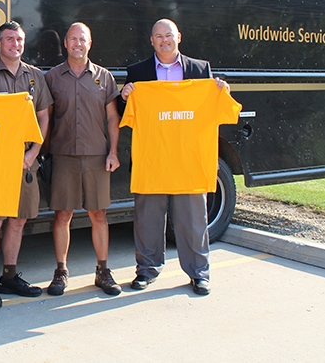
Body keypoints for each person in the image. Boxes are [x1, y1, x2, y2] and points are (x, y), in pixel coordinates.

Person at [120, 19, 218, 296]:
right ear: (151, 40)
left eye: (168, 35)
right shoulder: (137, 72)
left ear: (179, 37)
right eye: (158, 36)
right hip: (152, 159)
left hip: (188, 161)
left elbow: (208, 106)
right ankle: (147, 270)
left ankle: (199, 274)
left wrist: (220, 89)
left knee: (193, 221)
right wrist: (125, 95)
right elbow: (122, 111)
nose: (164, 40)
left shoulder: (201, 70)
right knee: (147, 219)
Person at [0, 22, 52, 308]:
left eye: (18, 39)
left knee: (18, 220)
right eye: (9, 39)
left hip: (25, 160)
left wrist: (33, 153)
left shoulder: (35, 75)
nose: (15, 44)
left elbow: (44, 116)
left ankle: (9, 276)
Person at [43, 22, 123, 297]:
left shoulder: (104, 77)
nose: (78, 43)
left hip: (97, 156)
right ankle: (61, 271)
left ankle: (103, 270)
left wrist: (113, 152)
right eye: (73, 39)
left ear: (90, 44)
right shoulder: (52, 78)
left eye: (83, 39)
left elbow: (113, 117)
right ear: (65, 43)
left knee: (98, 214)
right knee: (62, 215)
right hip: (63, 156)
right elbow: (46, 119)